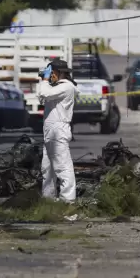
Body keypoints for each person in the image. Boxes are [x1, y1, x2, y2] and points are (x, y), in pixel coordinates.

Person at [36, 59, 80, 203]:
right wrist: (46, 81)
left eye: (52, 72)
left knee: (63, 167)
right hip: (50, 131)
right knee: (47, 169)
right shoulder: (55, 87)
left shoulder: (66, 86)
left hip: (58, 130)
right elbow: (42, 97)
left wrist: (44, 79)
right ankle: (48, 200)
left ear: (59, 72)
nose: (51, 75)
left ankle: (68, 201)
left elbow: (46, 94)